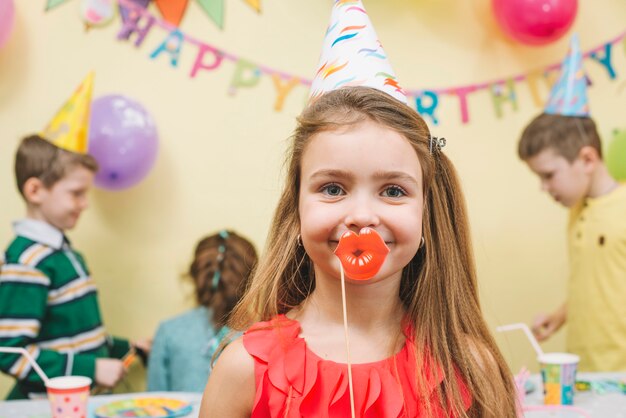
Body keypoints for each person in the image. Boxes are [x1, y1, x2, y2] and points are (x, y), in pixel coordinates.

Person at [0, 135, 149, 399]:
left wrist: (126, 348)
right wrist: (92, 369)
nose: (86, 203)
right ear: (35, 191)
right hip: (45, 407)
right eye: (76, 193)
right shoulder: (27, 262)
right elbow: (8, 351)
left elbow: (72, 335)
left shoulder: (65, 254)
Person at [518, 35, 626, 372]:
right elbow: (598, 282)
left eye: (549, 175)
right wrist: (559, 316)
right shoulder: (579, 210)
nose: (543, 187)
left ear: (588, 159)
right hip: (586, 368)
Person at [147, 230, 258, 392]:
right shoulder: (269, 335)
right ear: (253, 278)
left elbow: (153, 405)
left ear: (194, 275)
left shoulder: (169, 332)